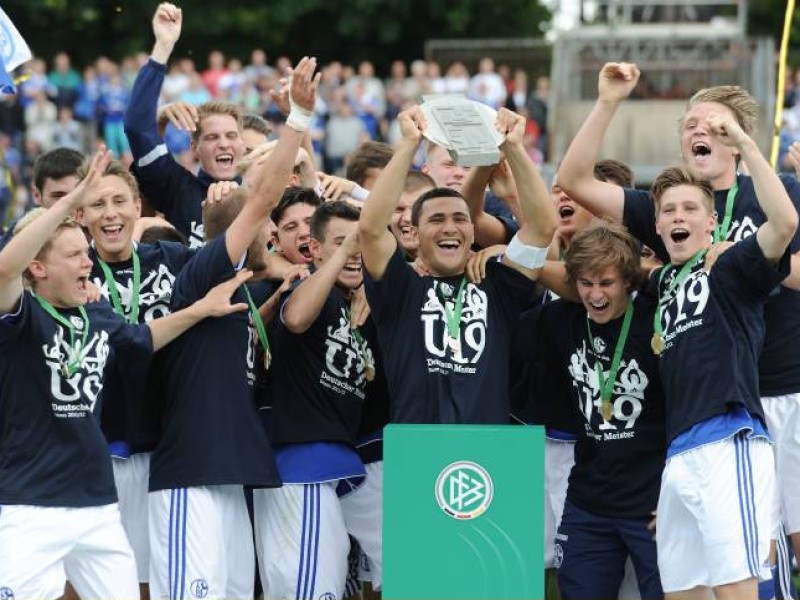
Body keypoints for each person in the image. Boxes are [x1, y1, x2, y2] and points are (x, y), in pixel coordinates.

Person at [557, 62, 800, 590]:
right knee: (685, 584)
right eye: (687, 124)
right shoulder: (666, 250)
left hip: (763, 397)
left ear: (737, 137)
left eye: (711, 124)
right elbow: (573, 185)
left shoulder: (771, 195)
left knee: (762, 565)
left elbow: (784, 232)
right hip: (682, 440)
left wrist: (738, 253)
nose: (696, 131)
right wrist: (607, 101)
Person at [0, 148, 251, 600]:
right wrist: (69, 198)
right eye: (75, 255)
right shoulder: (19, 319)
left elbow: (142, 339)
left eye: (85, 255)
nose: (87, 263)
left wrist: (199, 310)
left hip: (97, 502)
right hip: (30, 501)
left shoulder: (95, 313)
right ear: (37, 268)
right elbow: (4, 268)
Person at [143, 14, 321, 596]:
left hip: (228, 475)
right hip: (190, 476)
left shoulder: (237, 291)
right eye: (266, 226)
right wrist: (297, 118)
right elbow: (265, 192)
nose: (274, 231)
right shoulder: (206, 269)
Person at [359, 104, 556, 424]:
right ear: (414, 232)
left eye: (460, 219)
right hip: (419, 451)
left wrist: (514, 149)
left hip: (491, 455)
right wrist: (409, 145)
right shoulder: (399, 287)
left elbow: (542, 227)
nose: (450, 227)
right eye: (436, 219)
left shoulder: (498, 284)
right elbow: (370, 227)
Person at [513, 221, 666, 599]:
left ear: (629, 281)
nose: (595, 295)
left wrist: (677, 497)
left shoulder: (657, 318)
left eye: (607, 283)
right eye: (585, 283)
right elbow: (517, 275)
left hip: (652, 502)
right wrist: (488, 255)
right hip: (588, 503)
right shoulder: (559, 319)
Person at [79, 158, 198, 598]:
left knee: (148, 576)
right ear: (80, 215)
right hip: (95, 447)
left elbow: (241, 261)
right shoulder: (69, 270)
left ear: (137, 207)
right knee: (84, 578)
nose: (109, 213)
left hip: (161, 447)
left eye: (118, 201)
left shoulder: (171, 258)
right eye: (97, 204)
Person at [254, 200, 379, 599]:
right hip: (301, 465)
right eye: (342, 242)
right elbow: (295, 319)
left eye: (361, 241)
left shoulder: (350, 302)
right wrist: (342, 254)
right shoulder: (307, 286)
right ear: (316, 248)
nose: (355, 251)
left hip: (329, 465)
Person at [124, 3, 246, 247]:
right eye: (212, 138)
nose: (223, 144)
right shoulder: (178, 188)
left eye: (231, 135)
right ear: (194, 147)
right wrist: (163, 46)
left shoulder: (263, 194)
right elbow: (137, 128)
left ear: (242, 144)